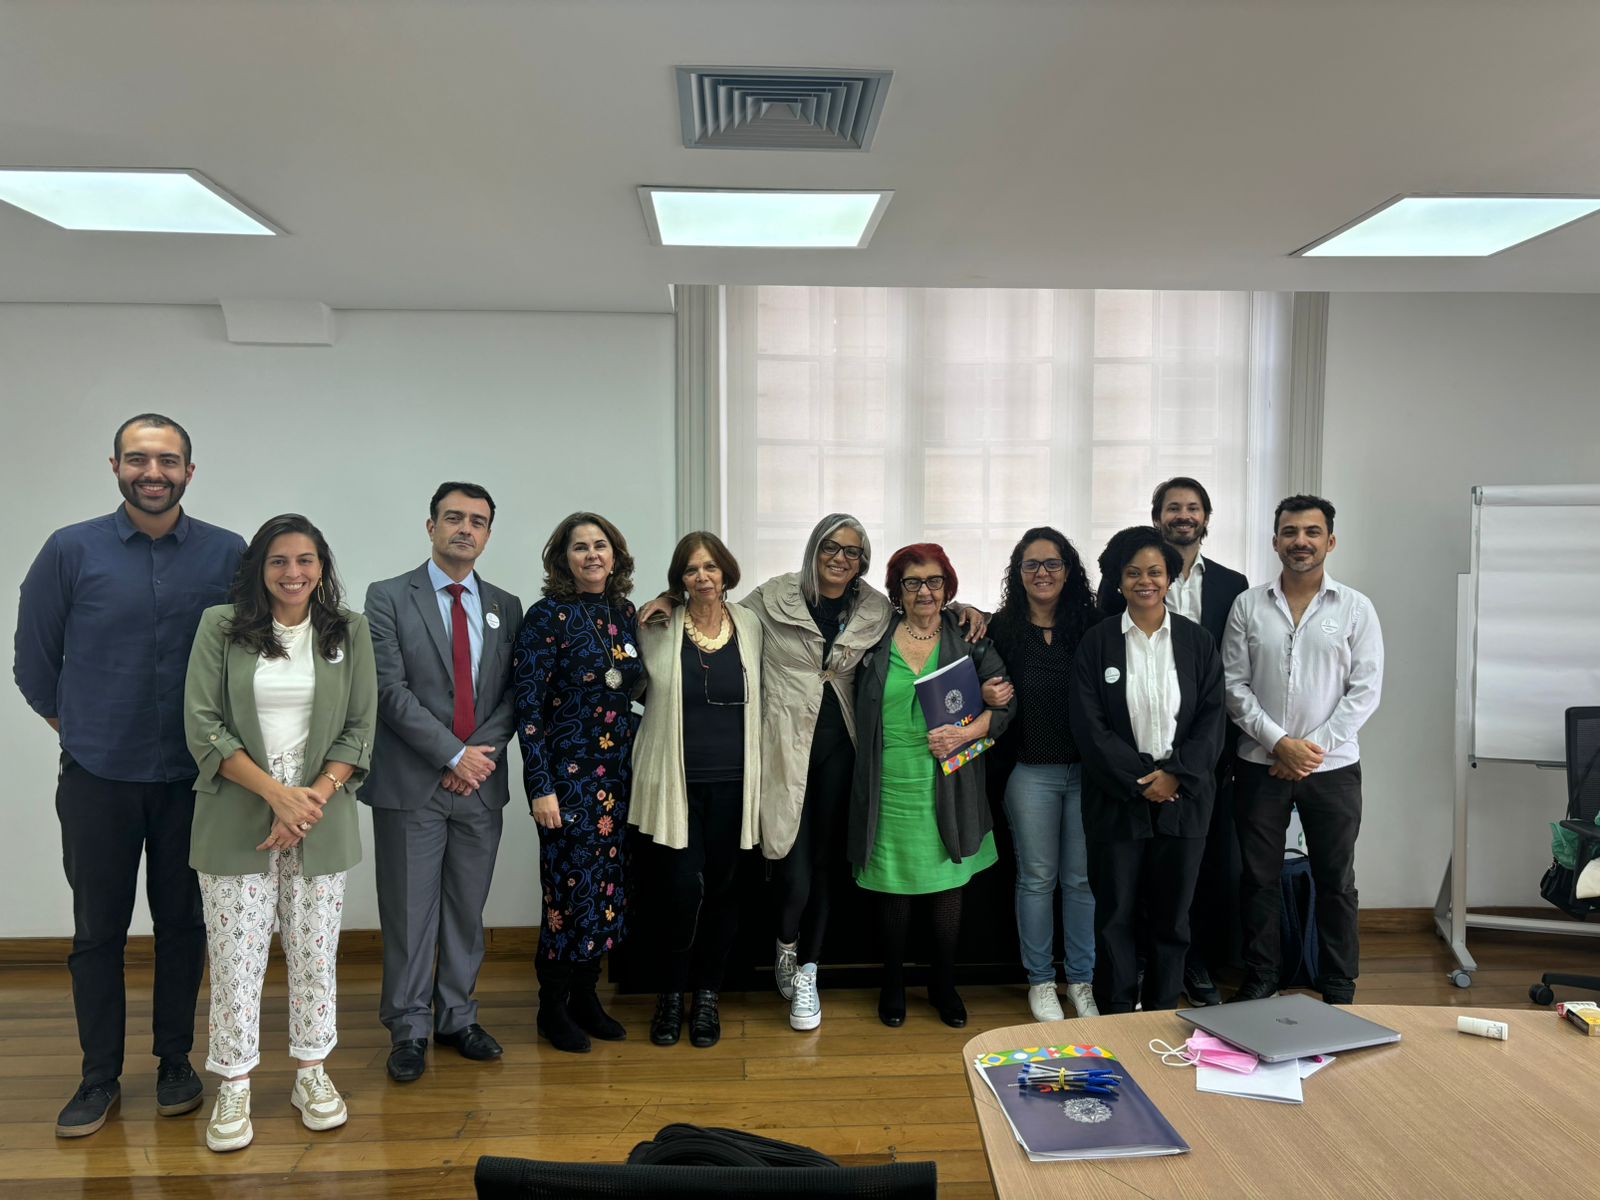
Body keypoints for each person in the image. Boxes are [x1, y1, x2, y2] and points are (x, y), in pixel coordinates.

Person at [13, 414, 243, 1139]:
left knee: (185, 925)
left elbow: (246, 656)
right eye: (139, 459)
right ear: (115, 465)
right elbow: (33, 662)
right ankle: (98, 1077)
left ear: (189, 472)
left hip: (193, 779)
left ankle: (175, 1061)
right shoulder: (69, 550)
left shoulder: (227, 554)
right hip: (98, 777)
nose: (154, 472)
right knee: (97, 932)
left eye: (168, 460)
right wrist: (80, 733)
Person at [183, 514, 376, 1152]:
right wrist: (276, 796)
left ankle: (312, 1073)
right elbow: (204, 723)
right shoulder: (220, 626)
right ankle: (234, 1082)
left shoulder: (348, 630)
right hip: (241, 806)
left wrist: (311, 800)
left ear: (322, 566)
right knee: (238, 959)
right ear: (258, 569)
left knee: (314, 952)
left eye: (305, 560)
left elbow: (359, 727)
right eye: (278, 561)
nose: (293, 573)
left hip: (321, 812)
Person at [362, 483, 523, 1083]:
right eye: (453, 518)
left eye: (477, 521)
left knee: (465, 909)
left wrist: (477, 758)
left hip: (479, 786)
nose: (465, 529)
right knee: (409, 912)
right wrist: (453, 756)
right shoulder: (386, 598)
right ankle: (408, 1027)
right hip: (414, 784)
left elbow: (514, 693)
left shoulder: (507, 606)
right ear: (430, 526)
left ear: (487, 534)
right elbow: (387, 690)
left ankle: (457, 1015)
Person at [1222, 495, 1384, 1005]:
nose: (1301, 542)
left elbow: (1366, 689)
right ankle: (1263, 973)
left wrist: (1310, 750)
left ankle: (1338, 981)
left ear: (1330, 542)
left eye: (1312, 532)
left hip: (1332, 767)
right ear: (1275, 542)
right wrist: (1279, 743)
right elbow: (1233, 686)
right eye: (1290, 532)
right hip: (1259, 764)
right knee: (1258, 877)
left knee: (1337, 878)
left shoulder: (1356, 608)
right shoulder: (1248, 605)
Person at [848, 544, 1014, 1029]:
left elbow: (1006, 704)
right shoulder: (874, 636)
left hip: (951, 778)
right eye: (913, 582)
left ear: (948, 586)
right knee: (893, 888)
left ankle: (943, 984)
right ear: (897, 590)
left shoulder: (970, 637)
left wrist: (969, 729)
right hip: (887, 781)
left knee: (947, 888)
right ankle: (893, 982)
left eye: (934, 581)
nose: (925, 591)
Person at [1069, 526, 1225, 1014]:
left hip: (1185, 797)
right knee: (1114, 914)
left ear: (1170, 577)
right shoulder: (1097, 644)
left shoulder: (1197, 642)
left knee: (1171, 917)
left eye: (1155, 571)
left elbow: (1212, 717)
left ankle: (1161, 1009)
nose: (1145, 581)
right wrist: (1142, 781)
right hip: (1117, 799)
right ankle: (1116, 1012)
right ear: (1118, 580)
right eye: (1133, 572)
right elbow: (1089, 724)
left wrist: (1176, 774)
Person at [512, 512, 645, 1053]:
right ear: (562, 559)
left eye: (601, 545)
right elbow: (528, 709)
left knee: (606, 892)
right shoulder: (547, 617)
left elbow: (634, 685)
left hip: (617, 780)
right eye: (580, 547)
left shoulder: (624, 612)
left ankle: (587, 997)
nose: (592, 555)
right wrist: (539, 787)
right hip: (566, 783)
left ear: (616, 556)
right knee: (566, 892)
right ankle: (552, 1006)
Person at [630, 533, 763, 1049]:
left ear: (726, 572)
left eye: (710, 567)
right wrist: (660, 602)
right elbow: (629, 684)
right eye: (690, 570)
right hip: (675, 783)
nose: (702, 577)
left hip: (735, 782)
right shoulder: (659, 625)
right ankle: (670, 994)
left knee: (725, 891)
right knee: (681, 892)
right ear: (679, 579)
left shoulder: (750, 625)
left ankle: (707, 995)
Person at [986, 526, 1101, 1022]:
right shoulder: (1001, 629)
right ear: (1018, 573)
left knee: (1081, 882)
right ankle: (1039, 982)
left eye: (1052, 563)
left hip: (1087, 774)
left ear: (1069, 570)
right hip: (1030, 772)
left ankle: (1081, 981)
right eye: (1031, 565)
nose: (1042, 573)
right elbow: (978, 684)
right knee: (1036, 879)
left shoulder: (1092, 626)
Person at [1152, 476, 1250, 1006]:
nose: (1182, 516)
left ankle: (1197, 964)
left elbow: (1238, 673)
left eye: (1192, 508)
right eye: (1172, 508)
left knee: (1207, 864)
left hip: (1210, 749)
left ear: (1207, 519)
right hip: (1147, 744)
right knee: (1154, 866)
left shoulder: (1234, 586)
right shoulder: (1138, 577)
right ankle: (1161, 964)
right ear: (1157, 518)